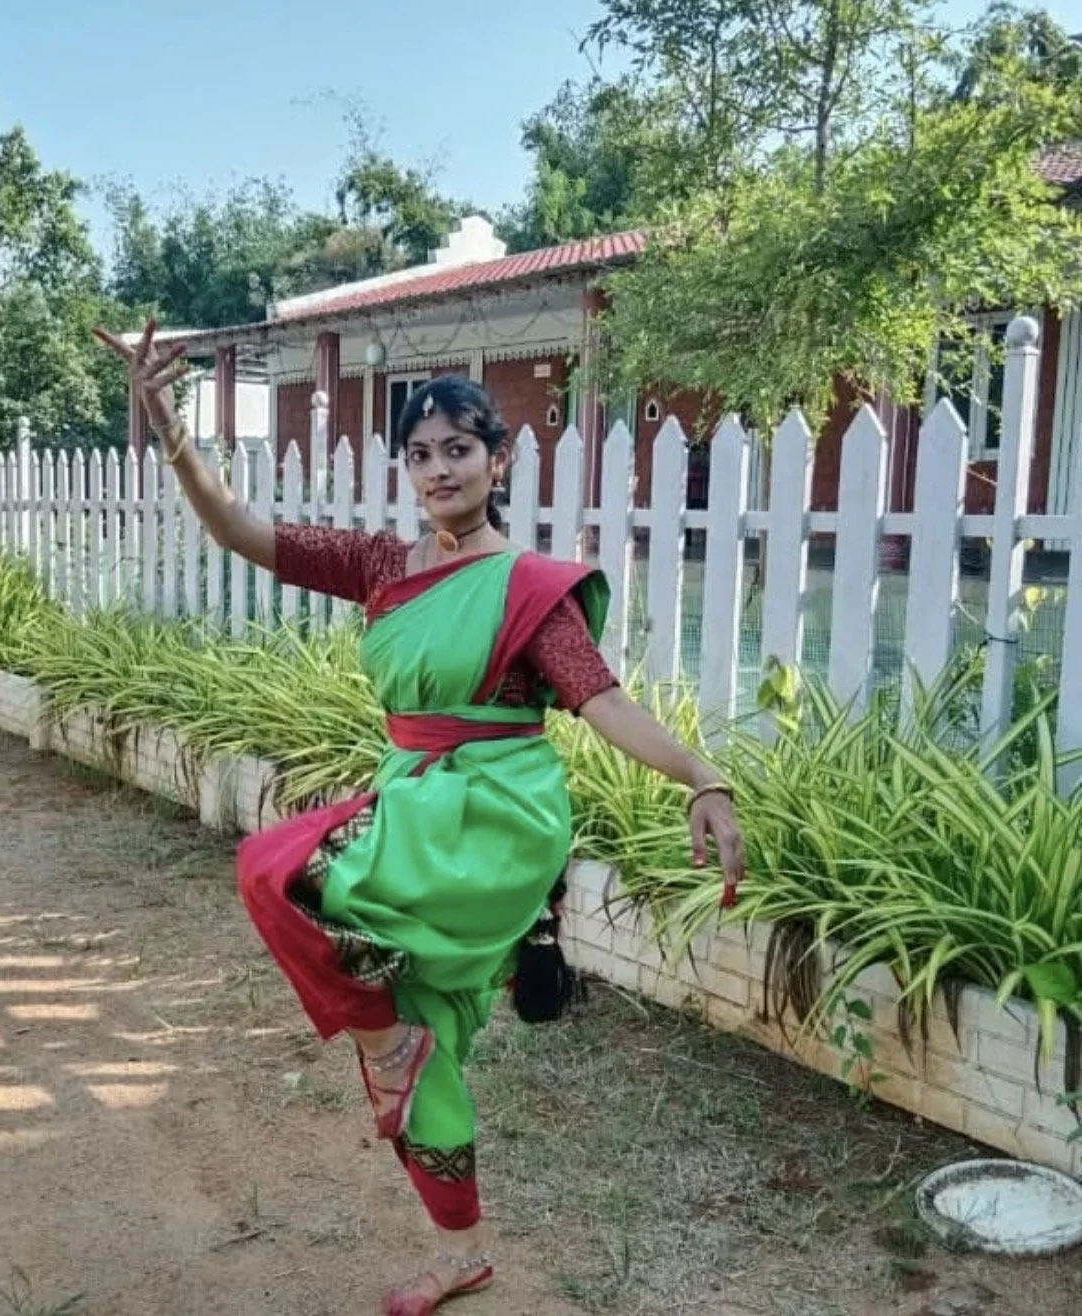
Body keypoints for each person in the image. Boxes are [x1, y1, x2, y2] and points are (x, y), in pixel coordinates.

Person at [95, 322, 746, 1316]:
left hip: (494, 812)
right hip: (417, 798)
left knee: (283, 868)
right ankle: (460, 1246)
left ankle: (389, 1039)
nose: (438, 467)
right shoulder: (380, 565)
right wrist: (170, 428)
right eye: (420, 452)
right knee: (427, 1032)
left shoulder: (531, 590)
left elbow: (605, 702)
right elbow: (238, 530)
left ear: (498, 458)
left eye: (458, 447)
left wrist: (702, 773)